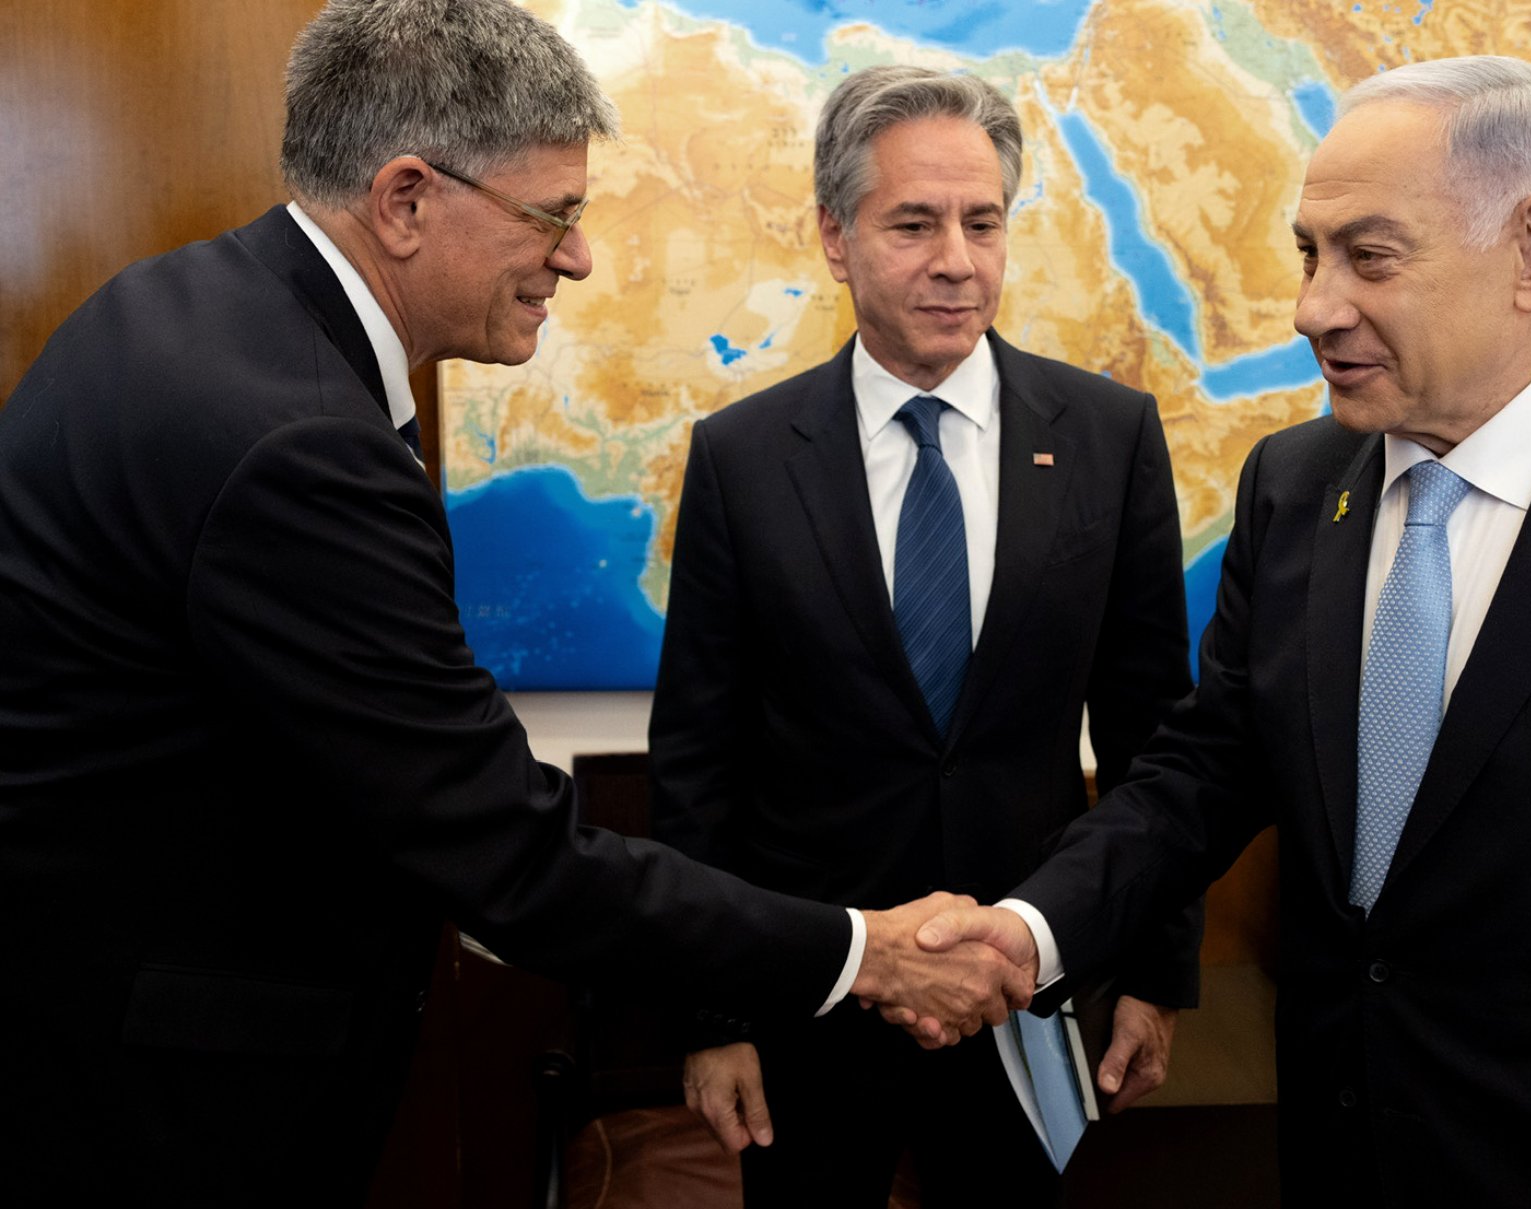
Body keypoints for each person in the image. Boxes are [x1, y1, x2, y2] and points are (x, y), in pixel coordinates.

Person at [0, 5, 1028, 1206]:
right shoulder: (295, 442)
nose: (576, 258)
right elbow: (508, 853)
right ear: (405, 200)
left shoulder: (188, 310)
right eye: (552, 215)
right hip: (151, 1098)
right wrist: (864, 952)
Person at [917, 54, 1531, 1207]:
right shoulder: (1294, 484)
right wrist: (1030, 930)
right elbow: (1206, 769)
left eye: (1370, 257)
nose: (1313, 308)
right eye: (1309, 254)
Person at [648, 65, 1200, 1206]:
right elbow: (700, 758)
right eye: (914, 223)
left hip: (1026, 992)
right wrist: (711, 1019)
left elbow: (1154, 739)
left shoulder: (1110, 438)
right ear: (835, 237)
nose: (957, 259)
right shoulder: (743, 459)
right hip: (811, 1000)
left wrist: (1153, 976)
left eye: (982, 222)